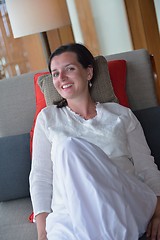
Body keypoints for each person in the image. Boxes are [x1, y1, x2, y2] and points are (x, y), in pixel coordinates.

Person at [29, 43, 160, 240]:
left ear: (88, 72)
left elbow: (146, 167)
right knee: (68, 148)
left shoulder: (121, 115)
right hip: (70, 214)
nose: (61, 78)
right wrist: (42, 231)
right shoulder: (48, 118)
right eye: (55, 73)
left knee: (69, 147)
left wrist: (158, 212)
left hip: (126, 203)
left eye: (69, 69)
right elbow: (40, 176)